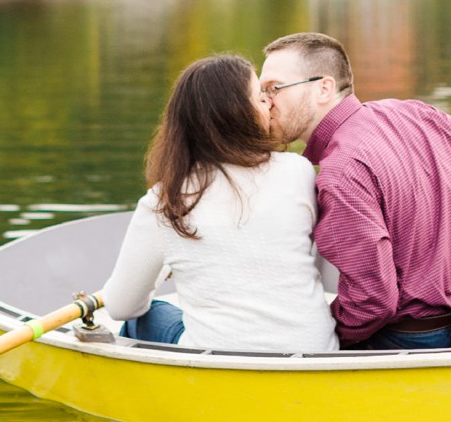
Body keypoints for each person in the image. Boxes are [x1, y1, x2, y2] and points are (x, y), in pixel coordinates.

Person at [258, 32, 451, 350]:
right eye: (261, 92)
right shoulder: (416, 113)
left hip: (413, 339)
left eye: (274, 88)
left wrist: (326, 335)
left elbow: (373, 302)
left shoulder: (338, 177)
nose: (265, 102)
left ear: (324, 88)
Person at [101, 52, 339, 354]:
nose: (269, 102)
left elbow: (122, 307)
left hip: (222, 358)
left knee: (147, 318)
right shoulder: (297, 171)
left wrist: (161, 271)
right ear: (236, 112)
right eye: (259, 96)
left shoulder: (165, 201)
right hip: (315, 351)